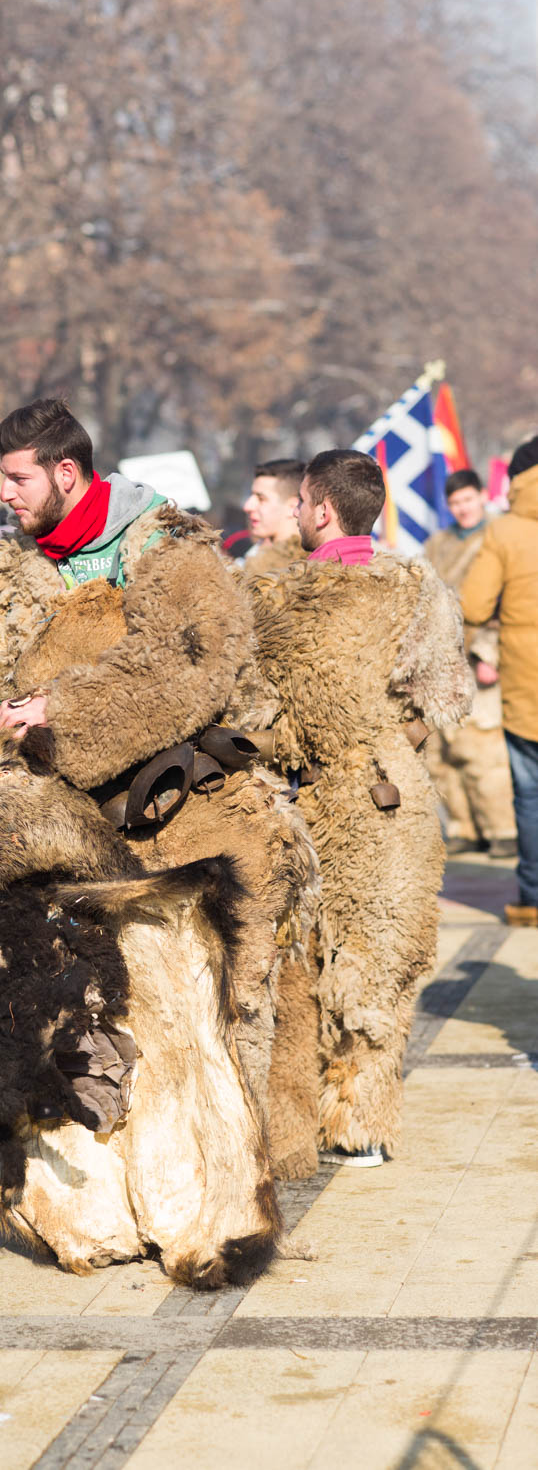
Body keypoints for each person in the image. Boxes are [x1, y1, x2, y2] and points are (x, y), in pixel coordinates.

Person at [0, 398, 323, 1180]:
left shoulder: (165, 546)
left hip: (187, 802)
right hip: (68, 827)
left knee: (222, 1006)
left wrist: (65, 708)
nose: (5, 495)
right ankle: (120, 1178)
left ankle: (229, 1177)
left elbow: (193, 665)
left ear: (65, 472)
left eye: (17, 479)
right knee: (90, 1016)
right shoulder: (20, 564)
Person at [249, 449, 473, 1166]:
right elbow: (441, 695)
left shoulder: (280, 595)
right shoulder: (416, 584)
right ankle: (360, 1123)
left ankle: (302, 1118)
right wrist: (380, 741)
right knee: (379, 961)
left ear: (318, 509)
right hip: (390, 796)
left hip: (302, 796)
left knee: (307, 958)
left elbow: (255, 711)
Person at [461, 435, 538, 926]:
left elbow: (472, 604)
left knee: (530, 795)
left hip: (527, 688)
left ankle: (531, 900)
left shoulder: (505, 531)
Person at [423, 470, 516, 858]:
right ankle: (464, 825)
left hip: (483, 650)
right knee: (444, 748)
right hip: (443, 655)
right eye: (455, 502)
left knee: (483, 747)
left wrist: (489, 652)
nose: (462, 508)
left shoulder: (499, 536)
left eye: (468, 500)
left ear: (481, 496)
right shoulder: (437, 544)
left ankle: (503, 829)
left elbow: (510, 599)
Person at [242, 459, 305, 574]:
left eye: (261, 499)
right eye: (251, 496)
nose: (247, 506)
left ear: (292, 506)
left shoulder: (303, 570)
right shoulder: (256, 557)